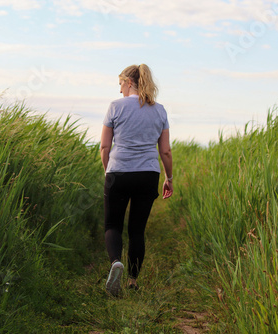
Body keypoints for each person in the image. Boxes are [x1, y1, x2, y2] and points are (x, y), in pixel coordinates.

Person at [100, 64, 173, 297]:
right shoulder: (159, 110)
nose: (120, 89)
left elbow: (104, 147)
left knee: (113, 225)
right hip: (148, 174)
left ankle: (115, 264)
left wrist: (108, 171)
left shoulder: (115, 107)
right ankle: (132, 280)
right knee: (137, 230)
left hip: (118, 172)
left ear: (129, 82)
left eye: (121, 83)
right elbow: (166, 152)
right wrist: (169, 178)